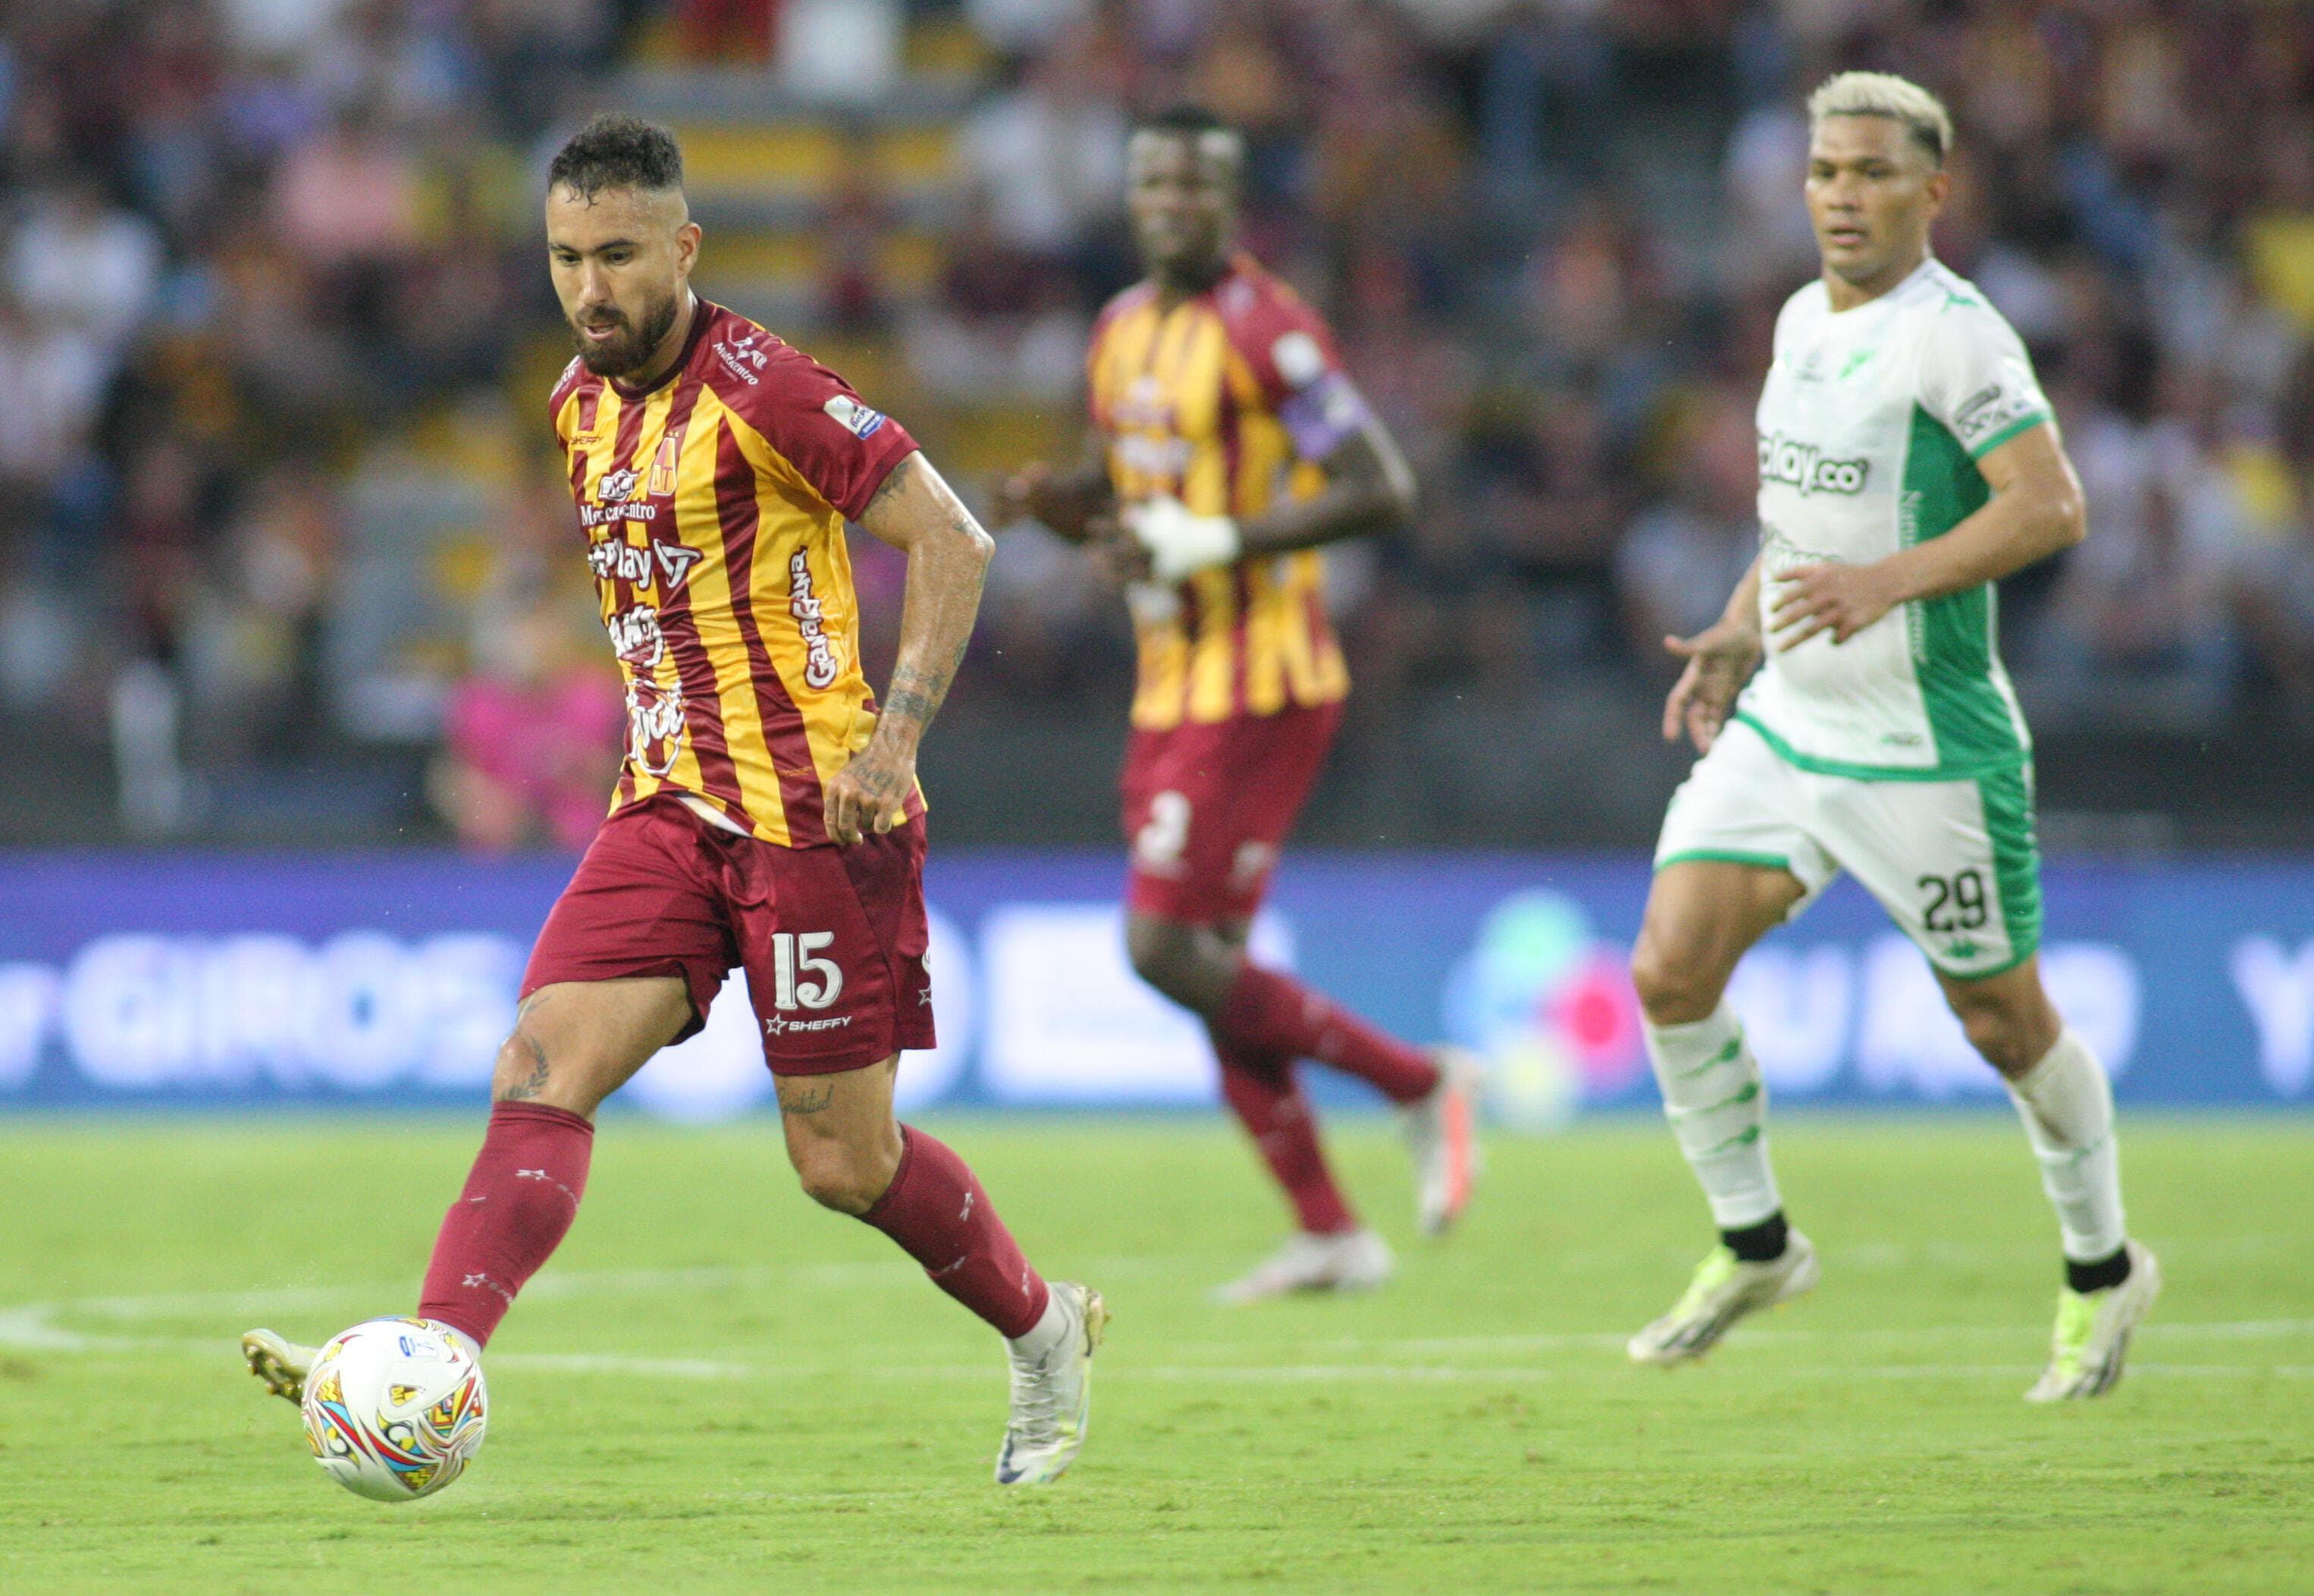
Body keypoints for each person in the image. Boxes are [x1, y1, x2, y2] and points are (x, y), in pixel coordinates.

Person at [243, 114, 1104, 1486]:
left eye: (620, 255)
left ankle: (1045, 1329)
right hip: (663, 811)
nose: (591, 288)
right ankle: (425, 1366)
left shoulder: (773, 391)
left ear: (685, 247)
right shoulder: (575, 406)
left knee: (843, 1164)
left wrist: (893, 743)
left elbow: (955, 538)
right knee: (539, 1069)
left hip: (817, 823)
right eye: (567, 258)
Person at [1626, 73, 2159, 1400]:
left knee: (2002, 1023)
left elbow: (2051, 505)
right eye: (1825, 172)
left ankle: (2105, 1269)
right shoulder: (1800, 320)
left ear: (1935, 190)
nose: (1842, 196)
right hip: (1793, 723)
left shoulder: (1956, 337)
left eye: (1872, 172)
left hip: (1926, 744)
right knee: (1670, 971)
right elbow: (1802, 519)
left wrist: (1888, 584)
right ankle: (1758, 1247)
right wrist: (1741, 625)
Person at [1005, 106, 1481, 1303]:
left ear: (1230, 201)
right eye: (1154, 181)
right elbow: (1125, 491)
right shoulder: (1119, 328)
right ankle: (1329, 1231)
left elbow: (1383, 488)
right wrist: (1062, 505)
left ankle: (1418, 1081)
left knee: (1164, 947)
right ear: (1131, 195)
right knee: (1204, 964)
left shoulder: (1271, 332)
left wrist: (1220, 538)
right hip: (1167, 683)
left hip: (1263, 681)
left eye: (1196, 184)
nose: (1172, 203)